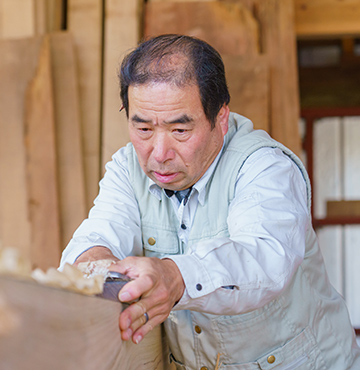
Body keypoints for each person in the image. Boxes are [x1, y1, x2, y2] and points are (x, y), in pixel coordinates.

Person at [60, 34, 360, 369]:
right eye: (143, 129)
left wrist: (174, 276)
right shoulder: (127, 169)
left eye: (180, 131)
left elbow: (264, 257)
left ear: (220, 117)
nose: (159, 154)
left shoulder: (265, 166)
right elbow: (98, 235)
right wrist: (99, 269)